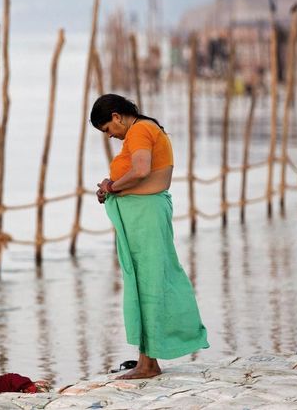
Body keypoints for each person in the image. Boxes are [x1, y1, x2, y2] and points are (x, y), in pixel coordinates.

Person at [91, 93, 209, 379]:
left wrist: (112, 186)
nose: (109, 136)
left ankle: (148, 364)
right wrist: (110, 189)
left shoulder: (141, 129)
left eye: (108, 129)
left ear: (117, 117)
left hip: (146, 217)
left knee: (151, 283)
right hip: (141, 217)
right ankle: (147, 360)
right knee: (144, 283)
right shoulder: (142, 131)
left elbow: (142, 170)